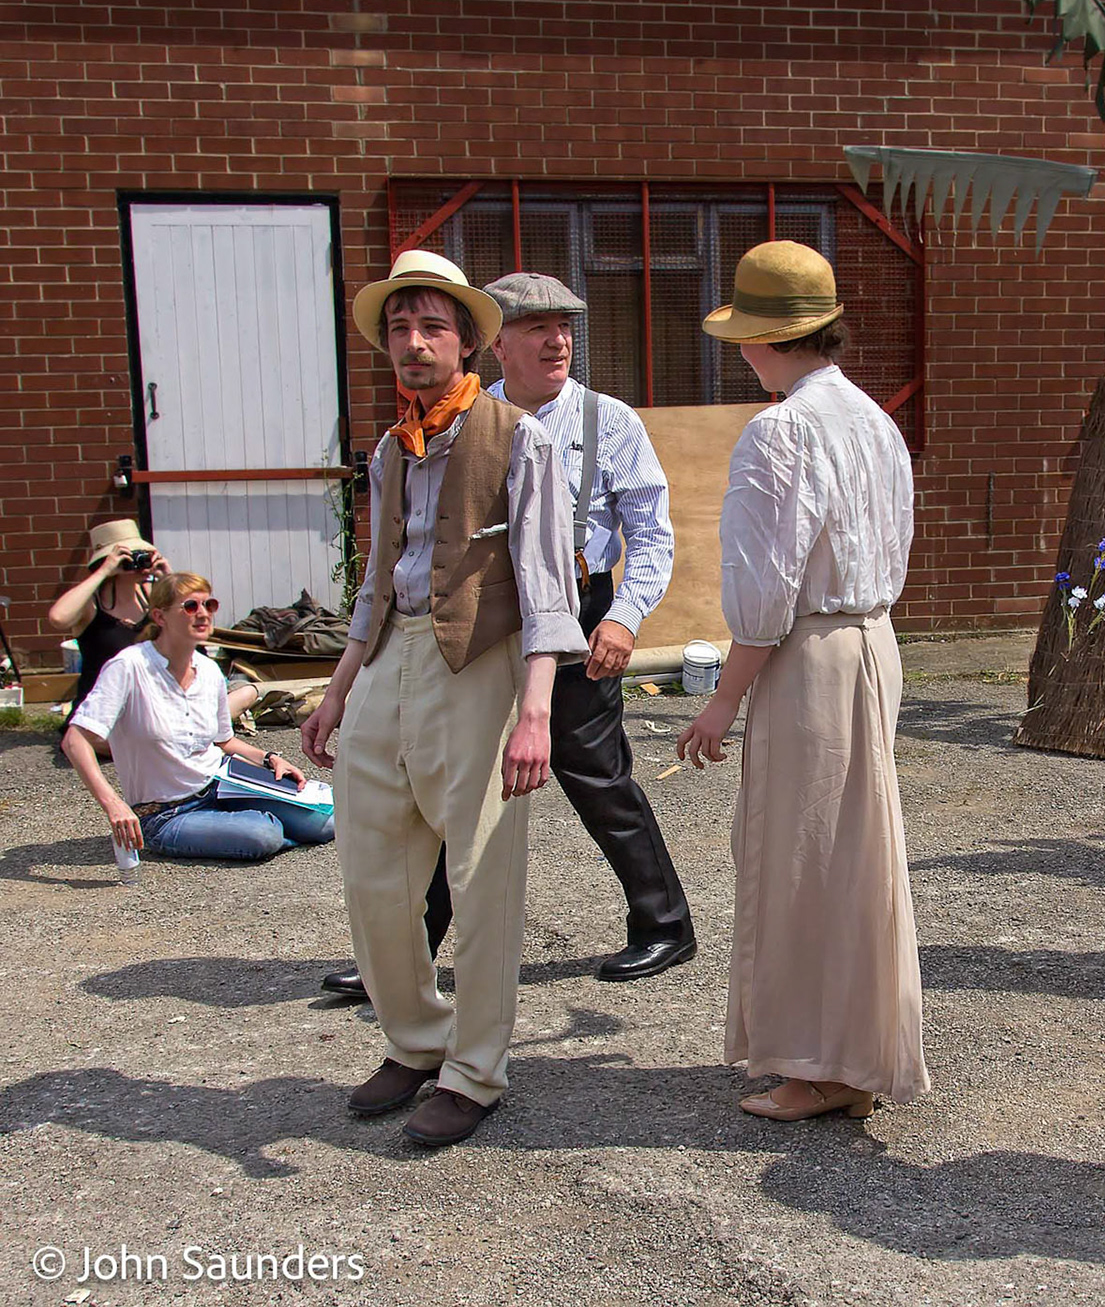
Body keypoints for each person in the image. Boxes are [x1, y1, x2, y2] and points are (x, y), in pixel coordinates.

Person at [314, 271, 693, 1000]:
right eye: (536, 326)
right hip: (483, 617)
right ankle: (409, 952)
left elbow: (652, 533)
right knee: (451, 782)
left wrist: (623, 617)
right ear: (496, 343)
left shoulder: (608, 421)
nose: (557, 339)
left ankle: (665, 923)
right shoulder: (466, 421)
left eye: (564, 325)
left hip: (578, 609)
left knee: (595, 774)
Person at [299, 249, 587, 1148]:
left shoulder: (519, 435)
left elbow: (548, 587)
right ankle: (416, 1039)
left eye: (432, 327)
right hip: (392, 655)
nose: (413, 343)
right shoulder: (392, 447)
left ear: (468, 340)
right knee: (372, 865)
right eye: (399, 327)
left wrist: (535, 710)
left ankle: (475, 1070)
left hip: (481, 663)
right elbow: (375, 581)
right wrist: (336, 691)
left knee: (481, 874)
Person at [677, 239, 928, 1120]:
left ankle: (821, 1065)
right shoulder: (875, 421)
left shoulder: (781, 430)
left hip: (813, 655)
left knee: (805, 857)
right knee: (854, 854)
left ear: (762, 338)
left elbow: (765, 592)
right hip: (873, 642)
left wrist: (720, 700)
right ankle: (850, 1058)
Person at [63, 572, 333, 861]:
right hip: (165, 814)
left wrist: (269, 759)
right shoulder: (129, 667)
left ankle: (262, 820)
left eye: (210, 605)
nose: (203, 614)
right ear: (160, 616)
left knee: (326, 823)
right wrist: (114, 805)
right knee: (263, 835)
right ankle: (262, 825)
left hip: (222, 786)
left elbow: (224, 742)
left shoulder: (208, 671)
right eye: (191, 606)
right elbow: (74, 741)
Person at [49, 520, 259, 752]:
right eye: (129, 558)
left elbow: (193, 638)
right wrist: (104, 572)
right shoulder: (93, 606)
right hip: (116, 711)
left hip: (163, 703)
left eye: (142, 556)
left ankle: (182, 738)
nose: (139, 564)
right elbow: (58, 618)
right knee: (111, 739)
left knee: (247, 691)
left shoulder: (153, 599)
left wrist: (169, 578)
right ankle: (183, 740)